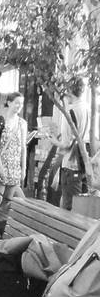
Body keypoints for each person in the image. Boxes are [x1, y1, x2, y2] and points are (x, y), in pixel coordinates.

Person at [46, 80, 90, 210]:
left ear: (69, 91)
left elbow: (66, 143)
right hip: (82, 163)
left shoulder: (70, 113)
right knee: (80, 207)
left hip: (71, 164)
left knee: (68, 207)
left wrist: (54, 141)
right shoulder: (87, 109)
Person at [0, 92, 28, 203]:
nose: (19, 106)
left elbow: (23, 147)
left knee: (8, 202)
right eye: (16, 103)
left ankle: (5, 219)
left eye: (21, 104)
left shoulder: (22, 123)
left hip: (14, 167)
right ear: (9, 103)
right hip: (1, 164)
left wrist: (23, 169)